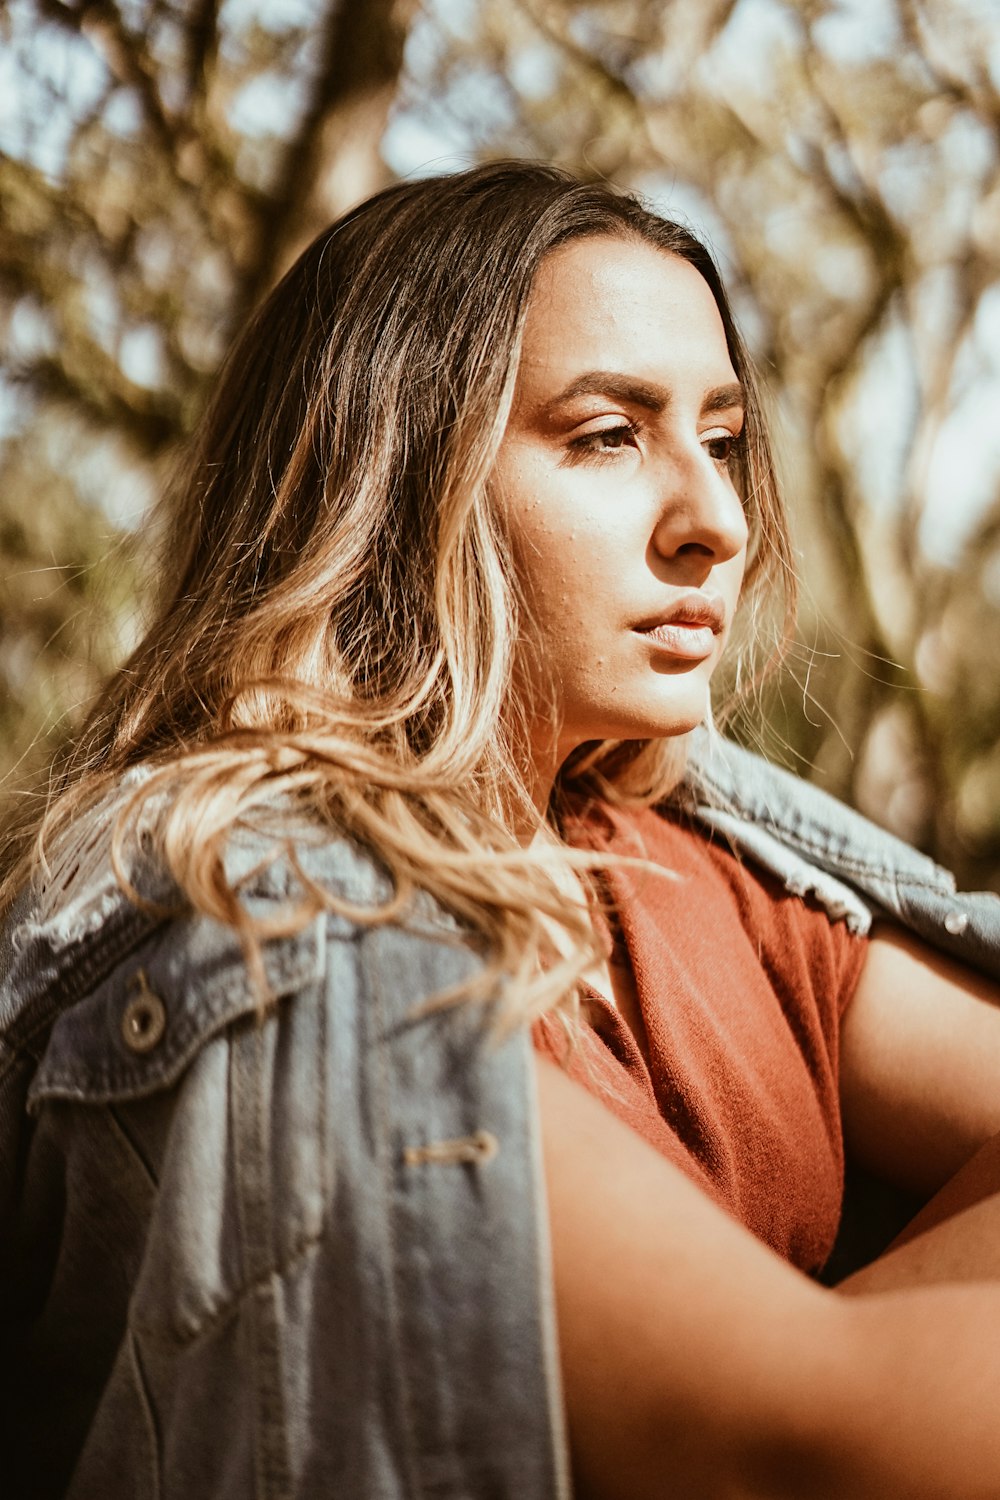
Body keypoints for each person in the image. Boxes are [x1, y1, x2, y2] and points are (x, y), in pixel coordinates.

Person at [3, 159, 1000, 1500]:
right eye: (606, 434)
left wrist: (839, 1339)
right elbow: (818, 1450)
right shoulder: (267, 931)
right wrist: (816, 1366)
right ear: (395, 474)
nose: (714, 521)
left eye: (720, 438)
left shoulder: (697, 863)